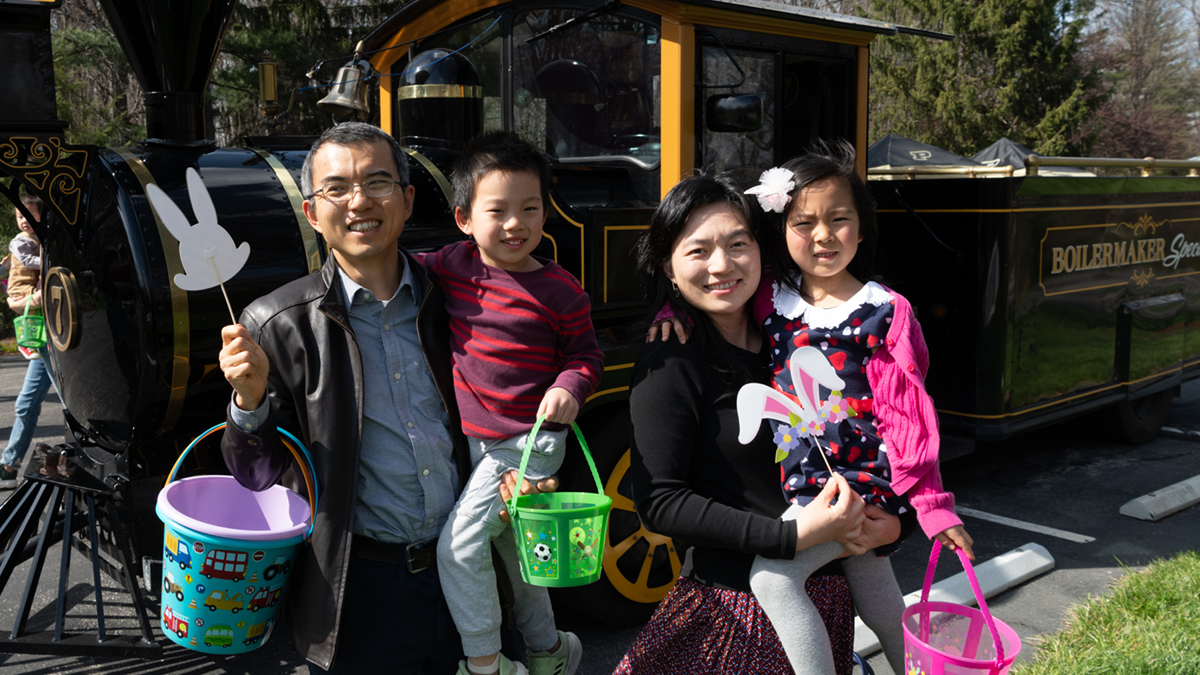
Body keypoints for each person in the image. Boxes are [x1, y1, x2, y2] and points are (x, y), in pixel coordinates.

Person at [217, 122, 553, 674]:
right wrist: (249, 404)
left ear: (408, 199)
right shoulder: (274, 323)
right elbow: (255, 478)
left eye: (377, 182)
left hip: (472, 567)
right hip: (361, 591)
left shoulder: (459, 298)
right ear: (311, 212)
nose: (359, 201)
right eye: (337, 188)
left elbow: (529, 377)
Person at [615, 174, 902, 675]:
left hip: (828, 603)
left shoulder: (796, 332)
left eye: (737, 244)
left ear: (762, 253)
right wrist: (787, 538)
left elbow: (884, 430)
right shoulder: (673, 357)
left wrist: (898, 526)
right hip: (739, 615)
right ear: (669, 267)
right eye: (698, 251)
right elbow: (659, 501)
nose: (722, 265)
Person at [733, 141, 974, 675]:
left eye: (839, 219)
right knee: (880, 601)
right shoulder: (768, 299)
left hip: (860, 484)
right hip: (805, 484)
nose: (822, 235)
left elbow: (910, 416)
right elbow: (714, 291)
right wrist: (665, 308)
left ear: (861, 229)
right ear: (781, 229)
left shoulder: (885, 311)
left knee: (773, 578)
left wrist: (932, 507)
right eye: (804, 222)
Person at [419, 131, 600, 675]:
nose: (515, 223)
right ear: (464, 219)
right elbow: (397, 270)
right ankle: (549, 653)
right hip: (478, 441)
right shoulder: (452, 265)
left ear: (546, 215)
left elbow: (588, 356)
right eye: (497, 210)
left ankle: (486, 664)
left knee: (459, 548)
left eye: (530, 209)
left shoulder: (561, 290)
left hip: (529, 441)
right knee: (518, 556)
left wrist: (569, 385)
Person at [1, 195, 58, 489]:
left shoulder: (52, 241)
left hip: (50, 329)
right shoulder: (24, 243)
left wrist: (29, 299)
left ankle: (90, 449)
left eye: (29, 214)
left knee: (67, 398)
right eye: (19, 215)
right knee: (26, 403)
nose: (24, 220)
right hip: (39, 329)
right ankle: (9, 465)